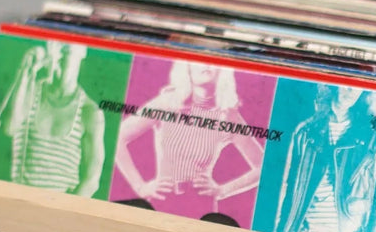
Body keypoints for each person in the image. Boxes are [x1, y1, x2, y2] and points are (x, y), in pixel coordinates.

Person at [112, 61, 263, 223]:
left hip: (201, 207)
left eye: (215, 63)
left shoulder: (227, 115)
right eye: (200, 62)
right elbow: (119, 137)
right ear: (187, 68)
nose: (207, 66)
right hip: (162, 202)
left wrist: (222, 190)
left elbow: (262, 167)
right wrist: (140, 187)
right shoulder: (167, 103)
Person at [274, 85, 376, 232]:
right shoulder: (306, 131)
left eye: (359, 85)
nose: (352, 90)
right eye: (347, 83)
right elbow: (288, 191)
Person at [0, 39, 105, 197]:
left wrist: (60, 215)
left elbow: (91, 180)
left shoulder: (90, 112)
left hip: (57, 209)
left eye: (66, 47)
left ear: (83, 52)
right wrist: (26, 71)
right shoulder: (31, 91)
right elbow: (10, 128)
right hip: (18, 201)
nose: (57, 52)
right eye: (54, 45)